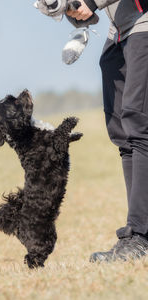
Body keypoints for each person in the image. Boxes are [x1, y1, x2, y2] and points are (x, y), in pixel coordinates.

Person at [67, 0, 148, 262]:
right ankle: (135, 236)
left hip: (143, 23)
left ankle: (140, 235)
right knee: (123, 134)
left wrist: (91, 2)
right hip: (119, 29)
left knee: (139, 127)